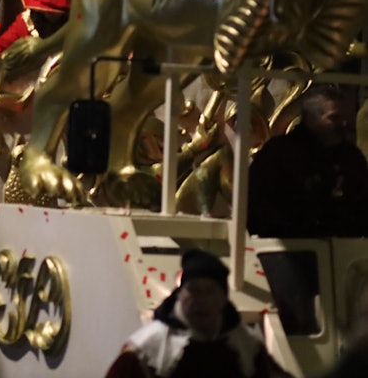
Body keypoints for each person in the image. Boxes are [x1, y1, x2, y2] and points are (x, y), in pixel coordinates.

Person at [104, 248, 293, 378]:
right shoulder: (145, 351)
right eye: (193, 290)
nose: (201, 300)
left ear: (223, 298)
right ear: (179, 295)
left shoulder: (247, 347)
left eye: (210, 291)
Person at [247, 83, 368, 238]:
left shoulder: (350, 157)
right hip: (288, 245)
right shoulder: (278, 154)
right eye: (334, 118)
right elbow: (257, 208)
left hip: (343, 248)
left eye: (346, 118)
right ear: (312, 118)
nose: (343, 125)